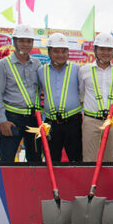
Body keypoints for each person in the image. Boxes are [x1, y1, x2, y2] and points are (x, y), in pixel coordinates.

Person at [0, 24, 42, 163]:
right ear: (14, 42)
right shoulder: (3, 65)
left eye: (29, 41)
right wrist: (3, 121)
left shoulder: (37, 63)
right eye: (21, 41)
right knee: (7, 159)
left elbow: (41, 89)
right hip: (12, 118)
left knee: (36, 159)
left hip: (33, 118)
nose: (25, 44)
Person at [79, 32, 113, 162]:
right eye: (102, 49)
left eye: (109, 49)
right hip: (91, 121)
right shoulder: (84, 70)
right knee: (89, 160)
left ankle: (107, 184)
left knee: (109, 160)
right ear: (95, 50)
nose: (105, 52)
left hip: (112, 121)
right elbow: (81, 93)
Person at [37, 33, 82, 162]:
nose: (60, 55)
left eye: (64, 51)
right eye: (56, 51)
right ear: (49, 52)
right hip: (51, 123)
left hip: (73, 122)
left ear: (68, 52)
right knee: (51, 160)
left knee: (76, 160)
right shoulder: (41, 71)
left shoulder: (77, 70)